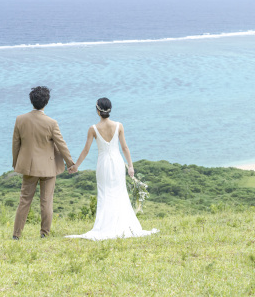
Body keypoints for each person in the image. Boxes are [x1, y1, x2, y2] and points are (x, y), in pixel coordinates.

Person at [66, 97, 158, 241]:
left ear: (97, 111)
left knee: (105, 193)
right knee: (119, 192)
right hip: (117, 163)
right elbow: (125, 147)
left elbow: (85, 150)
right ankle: (121, 224)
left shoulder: (93, 129)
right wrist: (131, 166)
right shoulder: (119, 126)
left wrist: (76, 166)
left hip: (103, 164)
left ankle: (105, 225)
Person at [11, 86, 75, 240]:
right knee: (46, 202)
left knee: (24, 201)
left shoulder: (20, 119)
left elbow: (15, 144)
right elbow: (61, 144)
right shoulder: (51, 123)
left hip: (28, 167)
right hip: (48, 168)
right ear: (46, 102)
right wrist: (70, 163)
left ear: (31, 101)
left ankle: (16, 234)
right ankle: (44, 233)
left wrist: (16, 163)